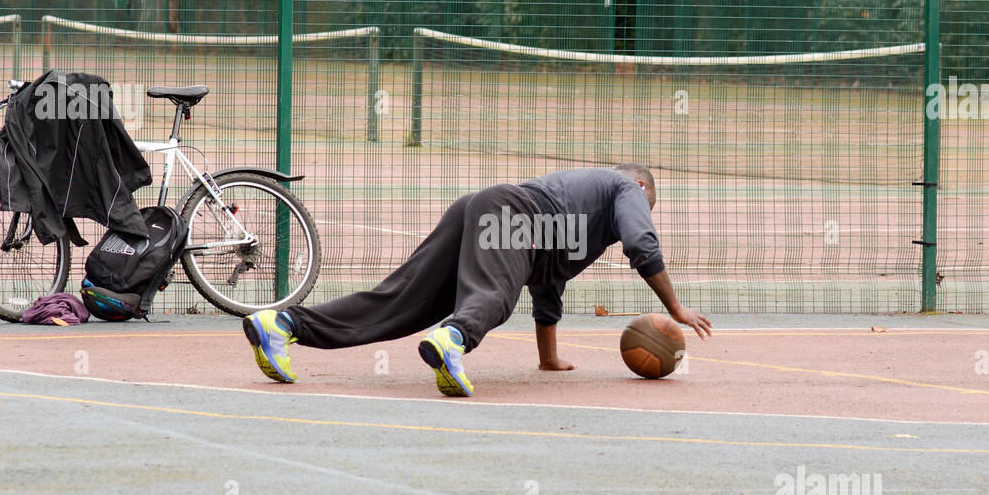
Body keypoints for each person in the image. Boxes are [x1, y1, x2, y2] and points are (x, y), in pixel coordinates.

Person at [242, 163, 713, 396]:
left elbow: (547, 280)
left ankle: (283, 324)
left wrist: (548, 358)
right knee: (494, 295)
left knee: (405, 301)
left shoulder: (582, 214)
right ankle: (454, 340)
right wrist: (675, 308)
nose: (644, 215)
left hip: (481, 207)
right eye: (648, 208)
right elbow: (643, 246)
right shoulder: (624, 188)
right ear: (643, 189)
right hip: (508, 212)